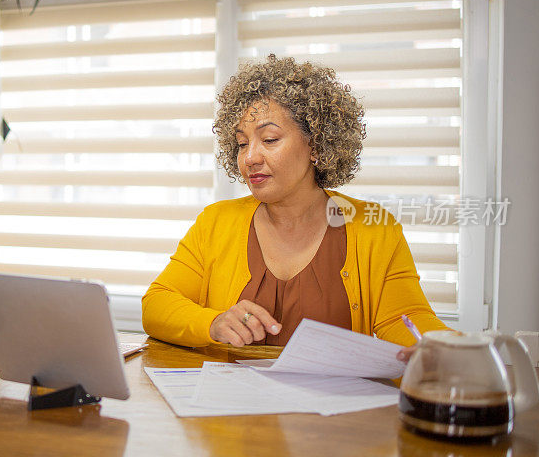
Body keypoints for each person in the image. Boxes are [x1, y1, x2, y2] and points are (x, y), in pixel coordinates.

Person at [141, 55, 449, 356]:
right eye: (242, 143)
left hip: (332, 405)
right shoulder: (216, 222)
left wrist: (451, 349)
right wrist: (213, 322)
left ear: (316, 144)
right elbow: (157, 304)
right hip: (234, 406)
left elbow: (406, 320)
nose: (250, 158)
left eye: (270, 139)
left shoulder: (374, 227)